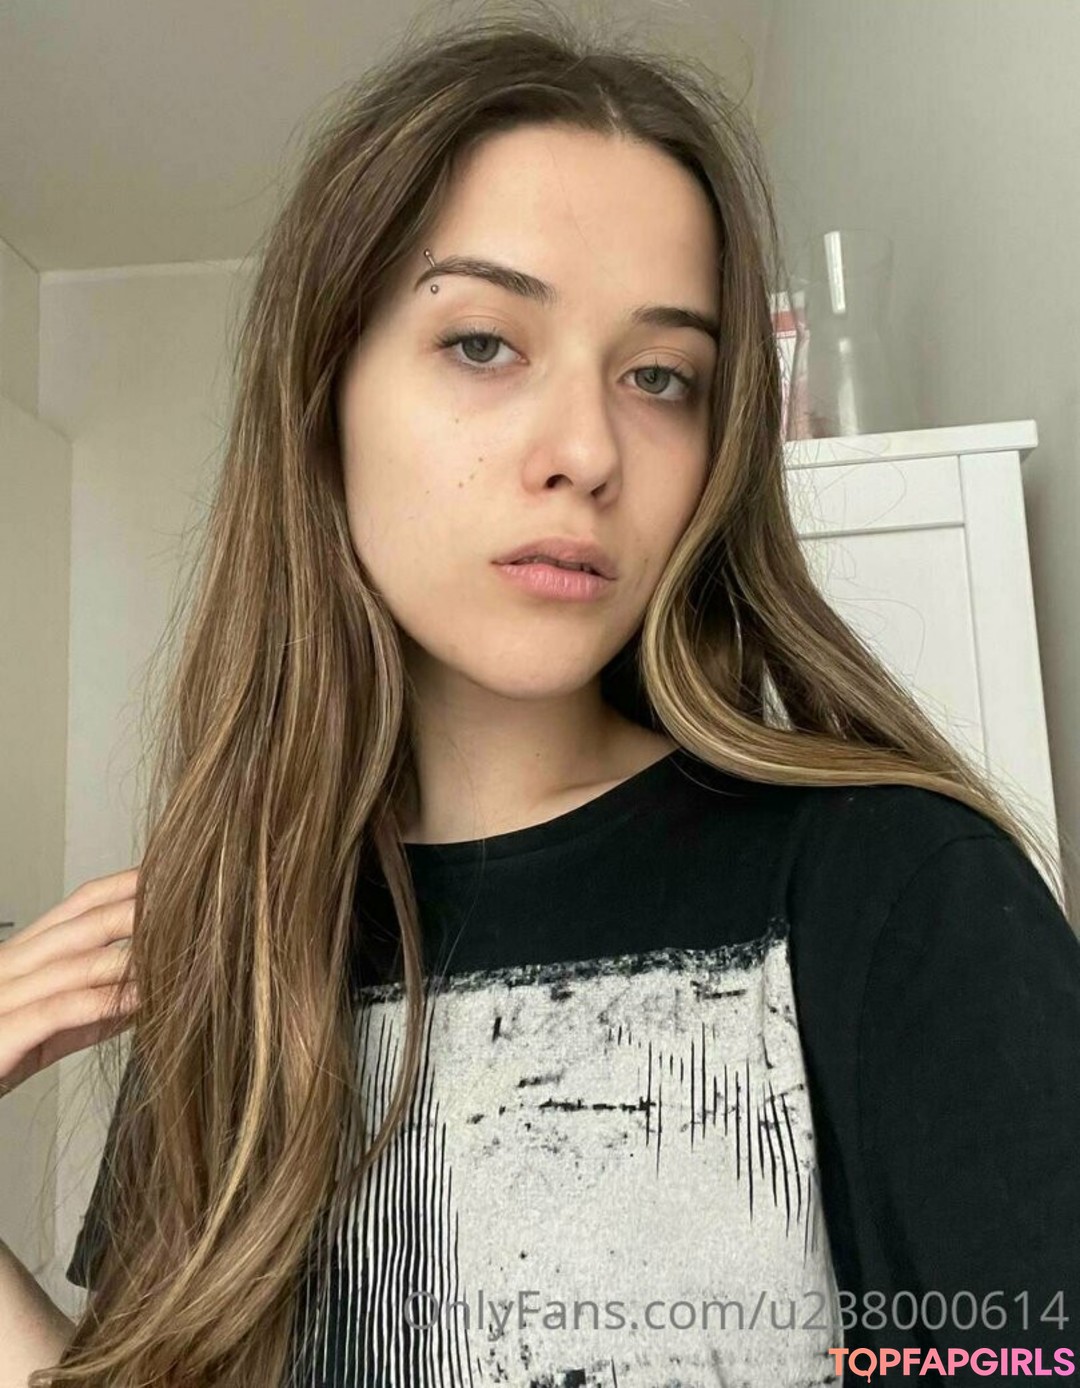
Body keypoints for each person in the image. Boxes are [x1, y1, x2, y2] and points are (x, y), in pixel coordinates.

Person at [1, 7, 1078, 1387]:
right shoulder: (246, 945)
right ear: (324, 400)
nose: (586, 450)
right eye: (484, 344)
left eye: (660, 377)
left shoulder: (896, 886)